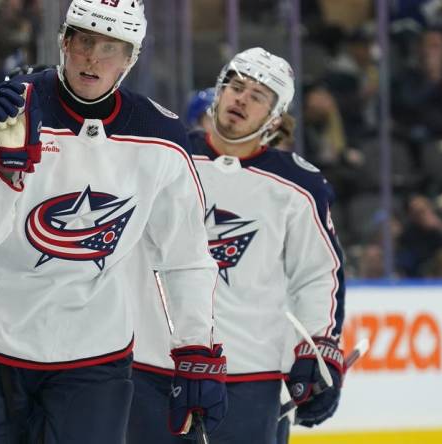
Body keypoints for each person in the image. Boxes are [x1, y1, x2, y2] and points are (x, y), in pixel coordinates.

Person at [0, 0, 226, 442]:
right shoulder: (7, 108)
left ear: (130, 59)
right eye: (85, 41)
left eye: (111, 48)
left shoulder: (160, 137)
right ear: (65, 42)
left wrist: (195, 347)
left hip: (92, 355)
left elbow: (186, 254)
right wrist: (6, 173)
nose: (94, 57)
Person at [128, 47, 347, 444]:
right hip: (151, 363)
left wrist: (318, 347)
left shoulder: (299, 187)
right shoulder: (167, 154)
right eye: (236, 86)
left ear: (275, 118)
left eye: (258, 95)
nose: (241, 98)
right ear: (219, 91)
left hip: (249, 376)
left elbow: (318, 275)